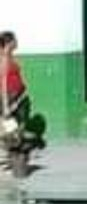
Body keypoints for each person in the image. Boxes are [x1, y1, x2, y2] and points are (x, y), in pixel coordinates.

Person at [1, 32, 40, 177]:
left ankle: (13, 161)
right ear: (8, 43)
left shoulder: (9, 57)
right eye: (14, 40)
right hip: (11, 99)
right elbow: (3, 82)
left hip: (17, 97)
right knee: (12, 132)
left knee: (14, 131)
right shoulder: (4, 58)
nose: (17, 42)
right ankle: (14, 161)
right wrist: (6, 106)